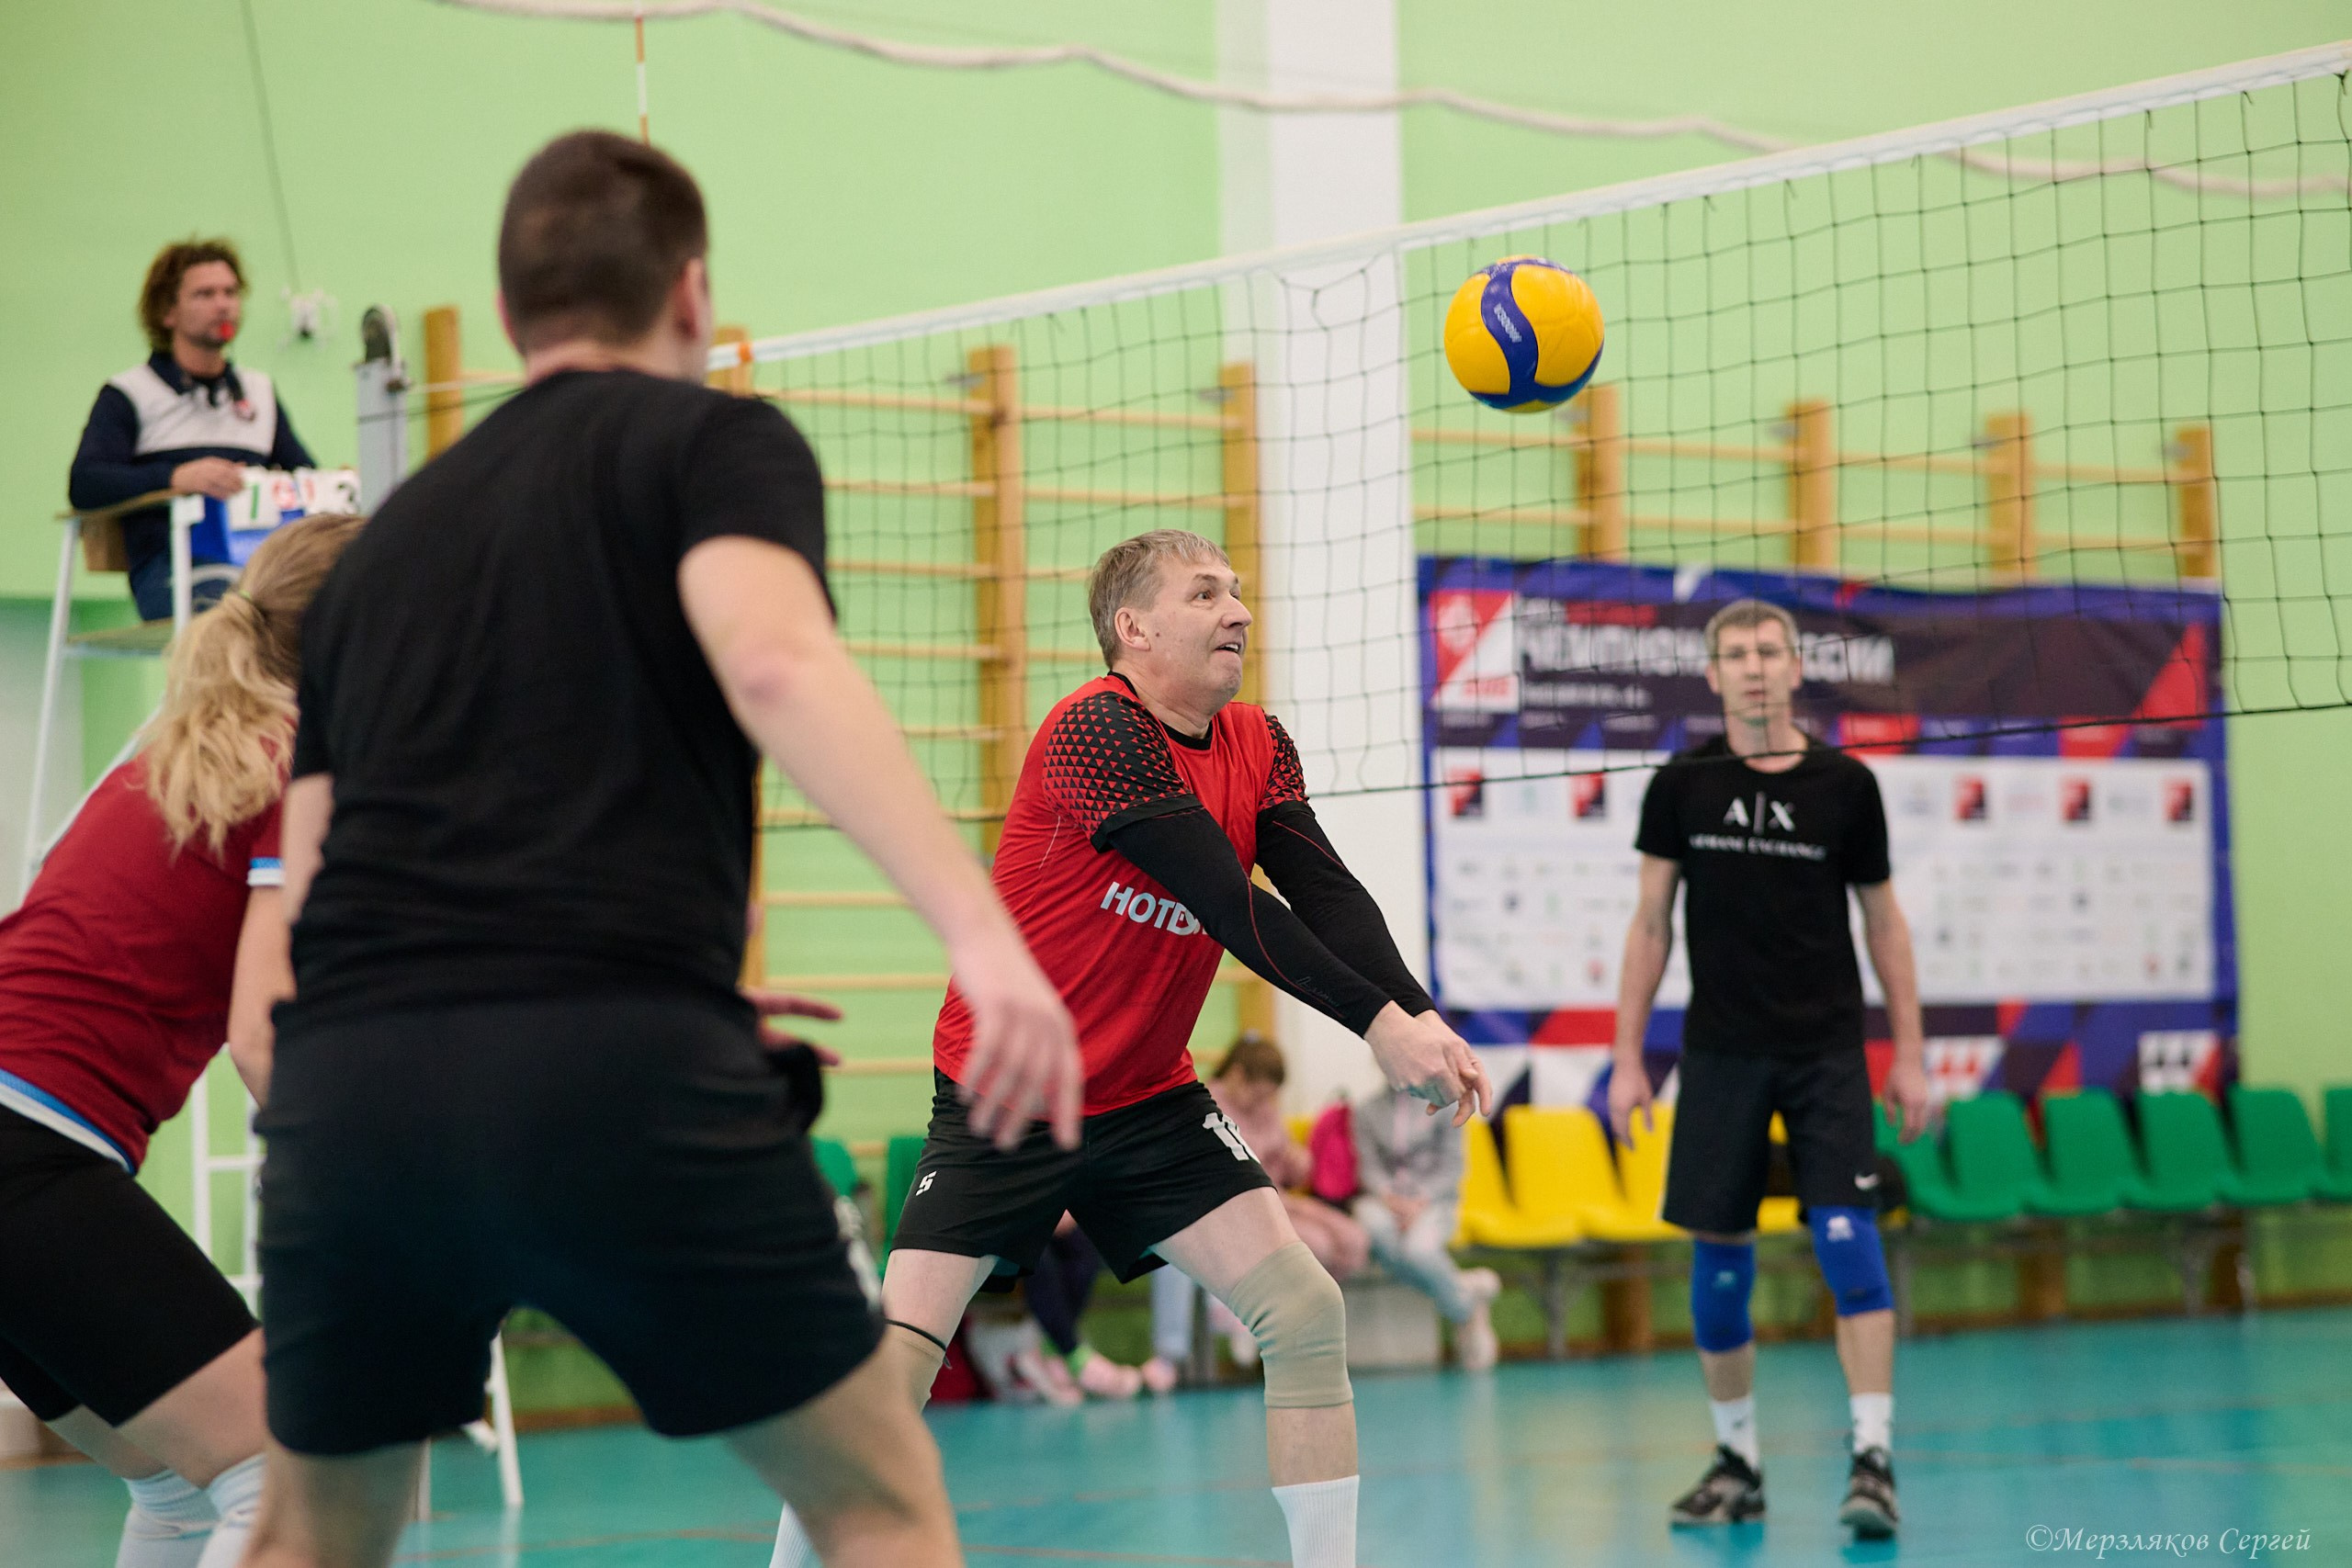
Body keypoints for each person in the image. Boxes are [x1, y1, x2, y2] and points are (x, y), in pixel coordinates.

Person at [243, 131, 1081, 1568]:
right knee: (879, 1502)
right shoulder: (712, 442)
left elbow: (308, 891)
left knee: (309, 1544)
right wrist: (981, 934)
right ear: (691, 293)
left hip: (356, 1095)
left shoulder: (378, 552)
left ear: (508, 314)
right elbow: (772, 661)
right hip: (615, 1066)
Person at [771, 526, 1490, 1568]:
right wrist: (1376, 1027)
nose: (1238, 610)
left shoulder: (1258, 741)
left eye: (1236, 590)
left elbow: (1326, 894)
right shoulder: (1094, 731)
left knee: (1303, 1309)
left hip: (1150, 1100)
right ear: (1133, 627)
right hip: (1007, 1094)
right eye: (1205, 594)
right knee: (896, 1365)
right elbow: (1228, 901)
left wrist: (1416, 1015)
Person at [0, 513, 362, 1568]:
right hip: (29, 1148)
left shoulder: (185, 746)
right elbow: (264, 1030)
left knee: (176, 1489)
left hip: (24, 1140)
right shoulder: (293, 772)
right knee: (283, 1476)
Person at [1607, 597, 1930, 1540]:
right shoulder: (1683, 782)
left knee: (1848, 1243)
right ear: (1714, 675)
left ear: (1795, 667)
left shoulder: (1845, 785)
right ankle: (1736, 1463)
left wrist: (1911, 1055)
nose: (1754, 666)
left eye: (1769, 651)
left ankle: (1873, 1460)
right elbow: (1650, 924)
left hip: (1825, 1052)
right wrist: (1626, 1057)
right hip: (1720, 1054)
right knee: (1718, 1264)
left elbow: (1884, 923)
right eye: (1737, 654)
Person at [69, 239, 317, 622]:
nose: (223, 304)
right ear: (167, 312)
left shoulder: (259, 391)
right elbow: (86, 482)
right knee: (237, 612)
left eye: (230, 292)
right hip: (172, 569)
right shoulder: (130, 393)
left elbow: (304, 475)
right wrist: (175, 477)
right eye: (205, 294)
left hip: (259, 564)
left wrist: (333, 483)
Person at [1144, 1033, 1369, 1393]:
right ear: (1236, 1075)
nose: (1264, 1103)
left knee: (1353, 1240)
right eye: (1259, 1094)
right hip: (1236, 1206)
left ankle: (1297, 1333)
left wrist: (1297, 1162)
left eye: (1269, 1097)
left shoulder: (1265, 1110)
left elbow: (1286, 1167)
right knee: (1318, 1246)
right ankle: (1267, 1325)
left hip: (1277, 1198)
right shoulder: (1206, 1105)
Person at [1351, 1085, 1502, 1371]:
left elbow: (1453, 1167)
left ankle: (1461, 1309)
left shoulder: (1445, 1105)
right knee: (1373, 1228)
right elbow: (1367, 1167)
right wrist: (1390, 1198)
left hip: (1434, 1202)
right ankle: (1466, 1297)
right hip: (1384, 1202)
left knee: (1418, 1251)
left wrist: (1419, 1201)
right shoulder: (1367, 1110)